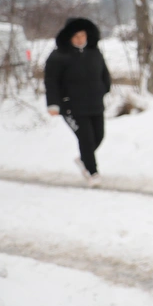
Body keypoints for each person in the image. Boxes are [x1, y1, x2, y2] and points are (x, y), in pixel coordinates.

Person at [44, 17, 112, 185]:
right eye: (76, 36)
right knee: (86, 139)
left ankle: (83, 159)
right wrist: (53, 104)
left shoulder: (94, 52)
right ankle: (92, 172)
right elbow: (51, 82)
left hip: (95, 103)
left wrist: (104, 89)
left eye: (83, 35)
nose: (80, 39)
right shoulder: (58, 56)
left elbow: (104, 74)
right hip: (72, 106)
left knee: (99, 136)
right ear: (69, 37)